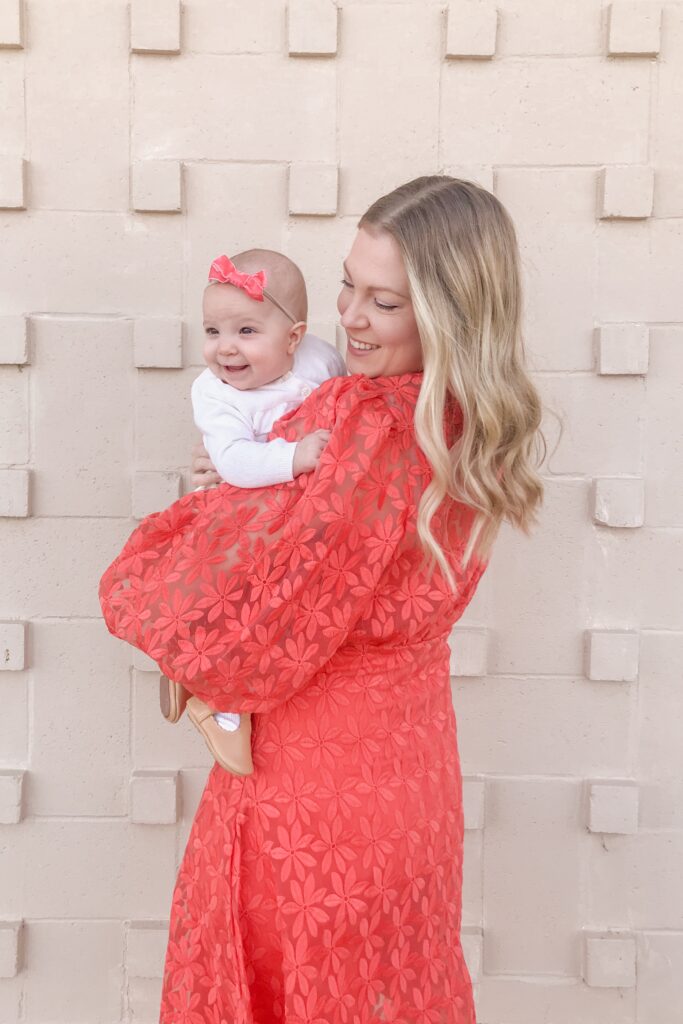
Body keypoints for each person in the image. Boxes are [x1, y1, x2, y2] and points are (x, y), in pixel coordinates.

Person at [99, 176, 544, 1023]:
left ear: (449, 314)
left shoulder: (359, 421)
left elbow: (226, 626)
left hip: (308, 786)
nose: (349, 316)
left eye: (385, 301)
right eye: (347, 283)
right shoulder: (464, 424)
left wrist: (196, 519)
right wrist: (243, 500)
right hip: (411, 775)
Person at [160, 248, 346, 776]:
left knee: (275, 611)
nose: (225, 349)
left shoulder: (319, 360)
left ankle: (190, 671)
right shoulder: (215, 394)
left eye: (245, 331)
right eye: (213, 331)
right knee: (235, 605)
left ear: (294, 338)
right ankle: (222, 705)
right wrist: (294, 455)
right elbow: (235, 461)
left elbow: (347, 396)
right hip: (231, 516)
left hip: (283, 518)